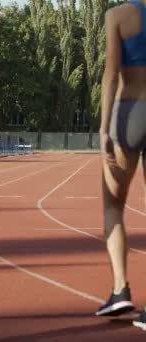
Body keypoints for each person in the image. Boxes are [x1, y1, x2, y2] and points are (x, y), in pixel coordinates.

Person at [95, 0, 146, 331]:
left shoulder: (118, 15)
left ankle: (120, 289)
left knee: (113, 204)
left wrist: (103, 127)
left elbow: (110, 76)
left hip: (129, 112)